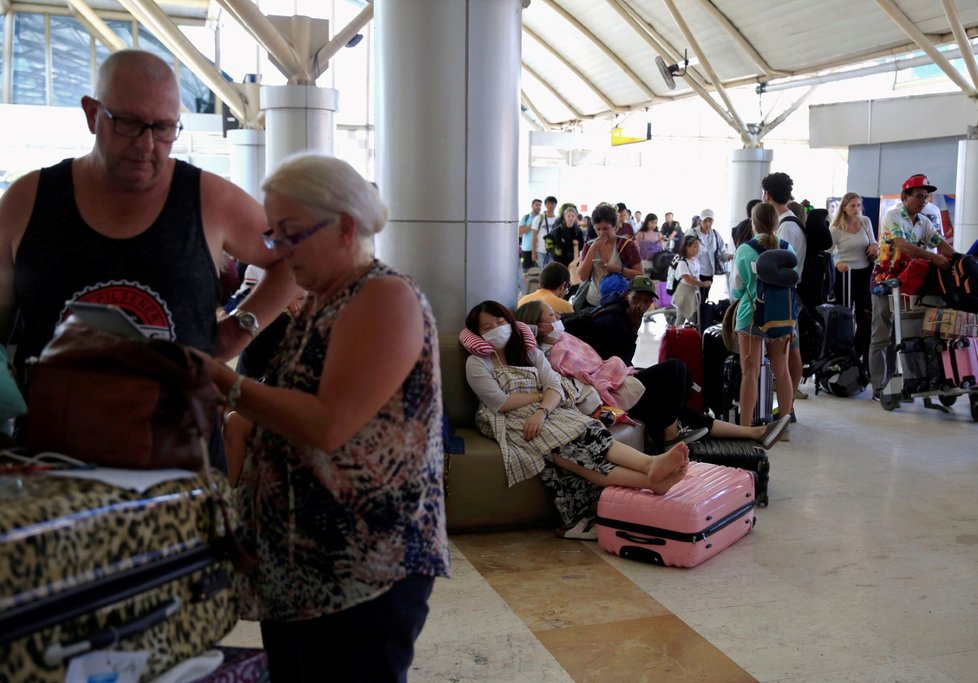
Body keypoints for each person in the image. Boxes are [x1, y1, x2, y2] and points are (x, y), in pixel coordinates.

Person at [193, 153, 449, 681]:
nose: (277, 253)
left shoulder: (384, 297)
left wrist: (228, 382)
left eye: (290, 234)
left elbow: (330, 423)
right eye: (273, 236)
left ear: (345, 227)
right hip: (302, 568)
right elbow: (292, 410)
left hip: (366, 567)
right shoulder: (319, 302)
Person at [0, 49, 298, 469]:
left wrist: (239, 329)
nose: (146, 144)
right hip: (52, 466)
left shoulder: (211, 199)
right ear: (92, 114)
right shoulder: (28, 200)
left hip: (180, 469)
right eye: (128, 124)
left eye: (163, 128)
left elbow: (294, 259)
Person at [462, 300, 690, 531]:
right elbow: (500, 402)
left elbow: (555, 386)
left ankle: (650, 468)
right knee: (572, 449)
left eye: (500, 322)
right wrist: (540, 398)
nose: (497, 329)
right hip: (508, 418)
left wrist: (542, 410)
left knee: (589, 430)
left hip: (547, 412)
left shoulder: (529, 352)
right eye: (487, 327)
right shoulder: (477, 363)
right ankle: (649, 473)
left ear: (510, 323)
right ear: (476, 334)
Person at [515, 300, 790, 451]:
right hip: (610, 394)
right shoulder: (548, 356)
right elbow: (579, 381)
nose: (557, 317)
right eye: (551, 315)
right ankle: (670, 434)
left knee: (679, 400)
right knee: (677, 369)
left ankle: (754, 433)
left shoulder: (564, 336)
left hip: (618, 376)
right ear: (537, 324)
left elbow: (584, 323)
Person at [869, 174, 953, 400]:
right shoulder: (893, 215)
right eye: (918, 196)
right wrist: (933, 258)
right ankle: (879, 387)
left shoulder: (924, 221)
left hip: (909, 284)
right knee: (881, 336)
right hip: (885, 282)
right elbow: (903, 246)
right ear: (905, 197)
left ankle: (901, 383)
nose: (923, 200)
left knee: (903, 335)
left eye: (926, 197)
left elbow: (940, 243)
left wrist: (958, 259)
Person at [731, 203, 796, 430]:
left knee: (749, 373)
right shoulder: (788, 249)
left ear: (753, 222)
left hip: (751, 316)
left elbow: (737, 289)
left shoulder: (745, 250)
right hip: (781, 316)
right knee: (782, 371)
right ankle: (784, 426)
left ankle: (746, 428)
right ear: (776, 223)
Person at [763, 171, 806, 404]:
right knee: (791, 350)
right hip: (790, 292)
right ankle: (788, 406)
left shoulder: (786, 227)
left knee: (786, 354)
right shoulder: (791, 222)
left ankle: (787, 407)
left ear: (767, 195)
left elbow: (779, 265)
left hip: (785, 294)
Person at [829, 192, 879, 367]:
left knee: (864, 316)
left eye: (858, 205)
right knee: (845, 315)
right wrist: (838, 262)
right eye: (853, 206)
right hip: (846, 274)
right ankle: (844, 354)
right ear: (844, 207)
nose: (856, 209)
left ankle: (861, 354)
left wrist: (874, 246)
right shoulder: (835, 229)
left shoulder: (865, 222)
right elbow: (828, 254)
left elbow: (873, 241)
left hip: (865, 272)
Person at [577, 204, 642, 309]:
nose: (602, 233)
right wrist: (592, 250)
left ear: (614, 227)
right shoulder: (589, 245)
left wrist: (618, 269)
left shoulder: (627, 245)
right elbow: (582, 276)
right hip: (593, 302)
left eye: (605, 228)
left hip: (620, 303)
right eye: (598, 229)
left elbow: (640, 274)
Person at [691, 208, 732, 324]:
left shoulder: (714, 234)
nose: (708, 224)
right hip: (695, 273)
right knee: (695, 300)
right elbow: (685, 251)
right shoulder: (693, 233)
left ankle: (701, 322)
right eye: (705, 221)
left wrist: (729, 256)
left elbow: (722, 252)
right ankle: (694, 322)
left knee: (703, 299)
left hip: (708, 273)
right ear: (700, 221)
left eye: (710, 221)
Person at [672, 234, 712, 327]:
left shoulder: (695, 261)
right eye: (694, 247)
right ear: (687, 247)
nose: (697, 249)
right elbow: (687, 279)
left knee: (693, 317)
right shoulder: (683, 262)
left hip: (693, 292)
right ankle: (676, 336)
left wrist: (701, 283)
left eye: (698, 247)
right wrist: (702, 284)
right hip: (684, 293)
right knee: (681, 318)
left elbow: (695, 277)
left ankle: (692, 335)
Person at [550, 202, 585, 268]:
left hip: (574, 260)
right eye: (568, 216)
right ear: (565, 217)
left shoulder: (578, 230)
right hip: (560, 261)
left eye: (572, 216)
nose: (570, 218)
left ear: (575, 217)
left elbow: (581, 245)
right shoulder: (558, 230)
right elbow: (558, 246)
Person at [532, 195, 558, 267]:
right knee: (543, 272)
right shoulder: (539, 218)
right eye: (548, 203)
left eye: (553, 204)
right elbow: (534, 236)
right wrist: (533, 252)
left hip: (553, 251)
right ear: (545, 205)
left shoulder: (557, 220)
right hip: (540, 251)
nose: (550, 206)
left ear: (555, 205)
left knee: (552, 272)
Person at [519, 198, 542, 271]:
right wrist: (533, 224)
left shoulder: (542, 218)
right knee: (527, 271)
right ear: (532, 206)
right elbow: (520, 231)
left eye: (540, 205)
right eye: (537, 205)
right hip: (527, 248)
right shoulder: (526, 217)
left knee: (539, 271)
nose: (539, 207)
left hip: (539, 249)